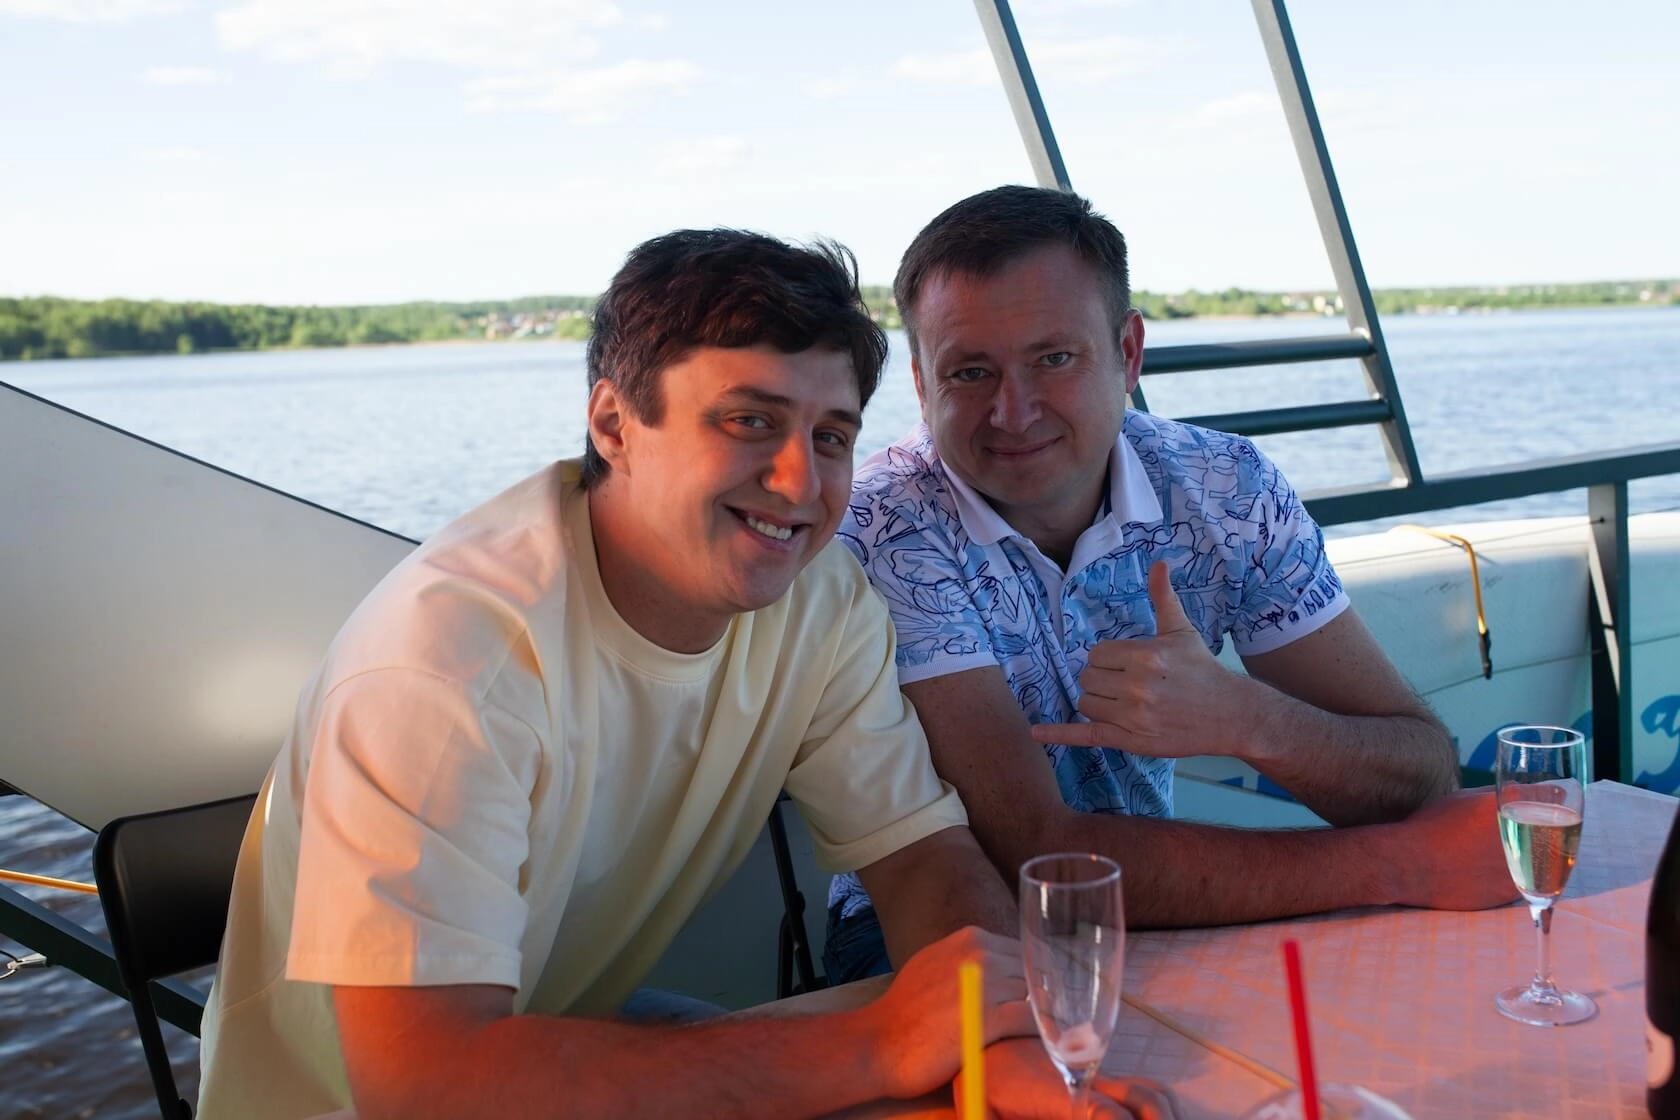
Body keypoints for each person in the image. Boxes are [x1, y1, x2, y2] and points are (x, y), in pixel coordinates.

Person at [194, 228, 1174, 1120]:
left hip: (559, 1029)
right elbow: (425, 1084)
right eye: (749, 421)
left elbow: (920, 857)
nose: (799, 482)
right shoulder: (450, 665)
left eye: (831, 436)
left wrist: (997, 1048)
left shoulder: (820, 603)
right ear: (614, 424)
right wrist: (880, 1044)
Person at [825, 185, 1517, 983]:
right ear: (922, 385)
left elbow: (1418, 775)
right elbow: (1040, 858)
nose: (1012, 412)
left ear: (1128, 353)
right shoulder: (883, 531)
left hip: (1164, 913)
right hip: (928, 937)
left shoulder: (1226, 488)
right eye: (971, 372)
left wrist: (1248, 719)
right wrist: (1398, 865)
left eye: (1054, 359)